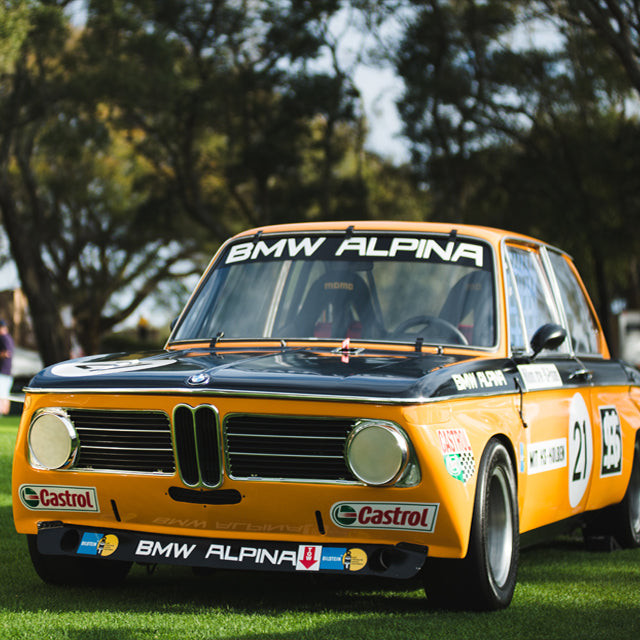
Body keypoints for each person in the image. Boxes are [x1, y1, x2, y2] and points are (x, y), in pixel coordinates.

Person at [0, 320, 14, 415]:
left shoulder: (3, 338)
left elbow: (7, 353)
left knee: (1, 395)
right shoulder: (9, 338)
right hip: (7, 372)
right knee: (4, 394)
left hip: (2, 371)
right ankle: (4, 414)